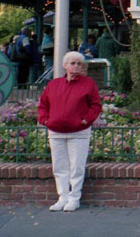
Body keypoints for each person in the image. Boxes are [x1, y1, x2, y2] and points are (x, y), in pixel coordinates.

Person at [37, 52, 101, 212]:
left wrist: (86, 120)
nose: (76, 66)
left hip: (79, 132)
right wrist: (45, 120)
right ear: (65, 66)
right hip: (55, 131)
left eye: (79, 63)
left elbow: (95, 105)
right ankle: (62, 197)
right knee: (59, 166)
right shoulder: (53, 84)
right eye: (73, 63)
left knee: (76, 167)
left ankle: (74, 198)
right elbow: (43, 104)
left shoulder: (88, 84)